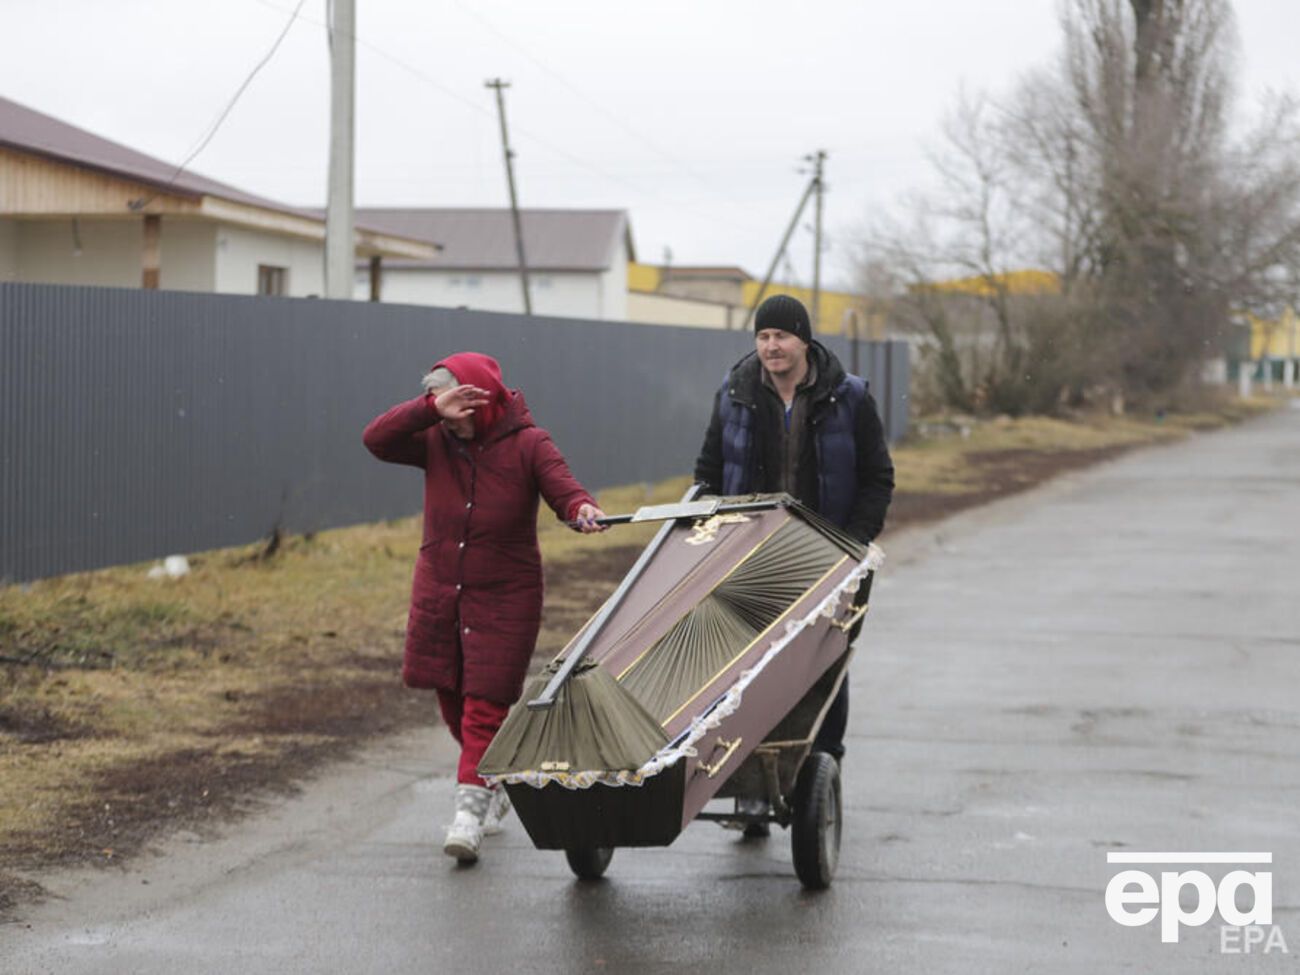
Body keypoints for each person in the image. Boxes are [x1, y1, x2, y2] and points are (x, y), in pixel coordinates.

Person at [363, 352, 605, 865]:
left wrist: (581, 509)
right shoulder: (433, 438)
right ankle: (493, 780)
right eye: (441, 403)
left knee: (484, 705)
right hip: (441, 592)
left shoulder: (529, 444)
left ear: (479, 400)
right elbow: (376, 439)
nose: (448, 414)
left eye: (454, 400)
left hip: (505, 597)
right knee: (452, 698)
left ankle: (468, 816)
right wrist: (429, 409)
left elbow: (565, 490)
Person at [693, 294, 894, 835]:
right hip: (749, 557)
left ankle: (820, 775)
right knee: (744, 672)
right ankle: (751, 787)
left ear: (804, 340)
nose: (771, 346)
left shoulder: (848, 397)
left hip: (828, 555)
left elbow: (877, 478)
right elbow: (710, 470)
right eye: (762, 337)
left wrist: (852, 545)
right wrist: (703, 530)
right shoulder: (735, 393)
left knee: (822, 663)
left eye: (781, 336)